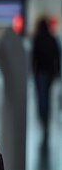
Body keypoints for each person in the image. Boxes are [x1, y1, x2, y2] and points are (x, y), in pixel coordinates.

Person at [32, 16, 61, 144]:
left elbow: (34, 57)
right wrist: (57, 71)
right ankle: (46, 119)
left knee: (41, 97)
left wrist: (33, 71)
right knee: (47, 96)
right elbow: (57, 56)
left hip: (40, 73)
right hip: (49, 72)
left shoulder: (38, 39)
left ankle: (43, 119)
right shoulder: (52, 38)